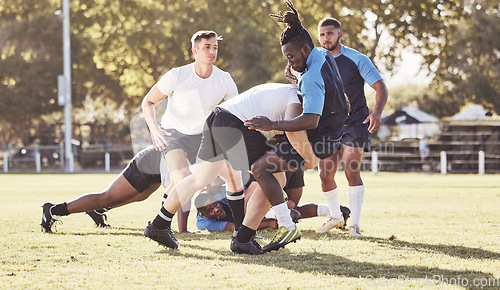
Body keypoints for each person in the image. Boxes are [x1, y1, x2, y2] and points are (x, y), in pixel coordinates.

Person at [230, 1, 349, 255]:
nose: (290, 61)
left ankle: (286, 225)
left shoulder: (311, 76)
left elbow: (310, 120)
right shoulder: (323, 55)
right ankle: (275, 224)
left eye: (291, 56)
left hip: (317, 139)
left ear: (305, 48)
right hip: (331, 136)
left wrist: (272, 124)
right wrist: (297, 75)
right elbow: (339, 99)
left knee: (260, 168)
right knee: (269, 168)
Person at [143, 82, 319, 250]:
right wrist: (310, 160)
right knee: (275, 176)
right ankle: (246, 237)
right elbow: (293, 133)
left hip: (216, 118)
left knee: (200, 178)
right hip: (233, 123)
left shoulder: (288, 91)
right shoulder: (298, 100)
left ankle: (159, 225)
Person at [141, 30, 241, 233]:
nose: (212, 51)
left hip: (205, 135)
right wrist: (154, 129)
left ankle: (242, 229)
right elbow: (148, 101)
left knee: (233, 175)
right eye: (207, 47)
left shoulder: (224, 79)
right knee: (183, 177)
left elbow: (235, 112)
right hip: (173, 134)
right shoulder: (177, 75)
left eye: (215, 47)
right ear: (195, 51)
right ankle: (176, 229)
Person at [311, 17, 389, 237]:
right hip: (328, 124)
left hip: (356, 121)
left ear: (339, 35)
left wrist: (377, 113)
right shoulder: (314, 59)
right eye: (322, 34)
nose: (326, 38)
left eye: (330, 33)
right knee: (325, 173)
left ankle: (354, 224)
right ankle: (335, 216)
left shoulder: (357, 58)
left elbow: (380, 87)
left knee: (351, 166)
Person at [40, 145, 167, 233]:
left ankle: (97, 211)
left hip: (162, 164)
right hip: (152, 161)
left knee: (141, 195)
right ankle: (53, 211)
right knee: (107, 197)